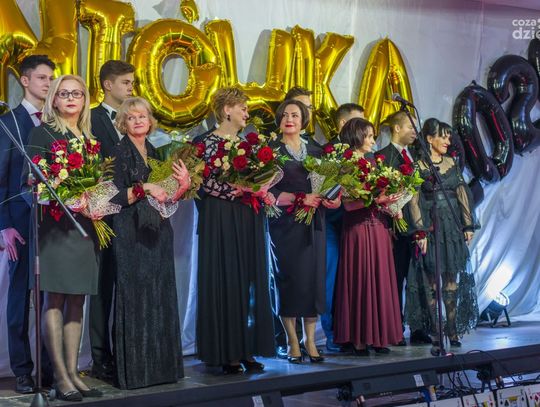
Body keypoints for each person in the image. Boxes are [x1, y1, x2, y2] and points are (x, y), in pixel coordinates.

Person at [25, 75, 102, 401]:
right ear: (54, 100)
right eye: (64, 93)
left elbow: (100, 181)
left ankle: (73, 374)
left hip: (84, 229)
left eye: (77, 93)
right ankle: (59, 377)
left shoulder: (90, 139)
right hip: (55, 230)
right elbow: (31, 181)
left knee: (77, 300)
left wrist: (97, 201)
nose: (71, 98)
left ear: (85, 100)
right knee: (54, 298)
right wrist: (65, 195)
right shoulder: (42, 133)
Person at [109, 97, 189, 389]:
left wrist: (182, 185)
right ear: (123, 123)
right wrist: (145, 187)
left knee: (160, 294)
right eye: (131, 117)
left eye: (142, 116)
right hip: (130, 232)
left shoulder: (155, 151)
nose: (138, 121)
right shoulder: (118, 152)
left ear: (150, 120)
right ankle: (137, 373)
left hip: (158, 230)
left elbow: (166, 197)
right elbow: (113, 195)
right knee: (135, 298)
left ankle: (161, 369)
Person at [196, 87, 275, 374]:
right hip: (219, 217)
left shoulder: (248, 145)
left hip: (247, 215)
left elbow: (260, 176)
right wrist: (234, 190)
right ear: (226, 109)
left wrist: (260, 190)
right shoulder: (205, 143)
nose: (246, 113)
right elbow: (201, 182)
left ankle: (247, 349)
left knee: (249, 280)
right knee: (225, 278)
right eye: (242, 107)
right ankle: (227, 352)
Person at [269, 99, 340, 364]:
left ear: (303, 121)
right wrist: (300, 198)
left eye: (295, 115)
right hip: (284, 225)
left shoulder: (317, 151)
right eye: (285, 115)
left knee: (313, 281)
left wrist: (333, 200)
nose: (289, 119)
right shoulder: (271, 151)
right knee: (288, 281)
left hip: (314, 224)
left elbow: (330, 187)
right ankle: (291, 341)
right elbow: (267, 191)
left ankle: (310, 341)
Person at [0, 55, 55, 394]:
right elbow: (1, 178)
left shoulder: (55, 121)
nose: (48, 83)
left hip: (54, 222)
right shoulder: (9, 122)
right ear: (25, 80)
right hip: (20, 223)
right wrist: (4, 225)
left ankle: (49, 369)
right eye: (42, 77)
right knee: (20, 297)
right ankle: (22, 369)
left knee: (51, 297)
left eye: (51, 78)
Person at [406, 118, 478, 352]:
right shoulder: (418, 166)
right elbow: (414, 200)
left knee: (450, 279)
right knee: (431, 281)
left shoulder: (451, 163)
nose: (448, 141)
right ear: (429, 139)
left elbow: (462, 193)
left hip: (451, 226)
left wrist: (467, 225)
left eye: (449, 137)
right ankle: (436, 331)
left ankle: (452, 329)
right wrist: (420, 231)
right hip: (431, 226)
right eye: (443, 137)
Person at [333, 118, 403, 355]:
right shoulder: (345, 164)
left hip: (378, 226)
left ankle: (379, 337)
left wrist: (393, 204)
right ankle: (359, 339)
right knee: (360, 279)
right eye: (369, 136)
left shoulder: (374, 162)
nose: (373, 141)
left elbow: (381, 195)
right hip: (358, 229)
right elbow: (348, 204)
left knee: (380, 279)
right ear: (356, 136)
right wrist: (376, 199)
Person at [89, 60, 135, 382]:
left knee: (129, 286)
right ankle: (100, 357)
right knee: (102, 288)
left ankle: (127, 352)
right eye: (126, 82)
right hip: (104, 215)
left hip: (134, 214)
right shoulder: (91, 118)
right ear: (108, 85)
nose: (131, 87)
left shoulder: (134, 117)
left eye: (132, 83)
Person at [376, 111, 431, 346]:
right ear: (397, 128)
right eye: (410, 126)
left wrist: (422, 228)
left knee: (417, 279)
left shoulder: (415, 156)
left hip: (415, 227)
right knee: (395, 280)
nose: (414, 131)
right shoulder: (382, 157)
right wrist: (389, 225)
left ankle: (418, 327)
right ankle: (395, 329)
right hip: (394, 229)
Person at [322, 102, 364, 352]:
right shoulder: (328, 152)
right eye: (358, 122)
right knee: (332, 279)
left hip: (357, 225)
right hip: (332, 223)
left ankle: (357, 332)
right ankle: (332, 334)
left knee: (355, 280)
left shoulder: (366, 155)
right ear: (342, 124)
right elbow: (324, 188)